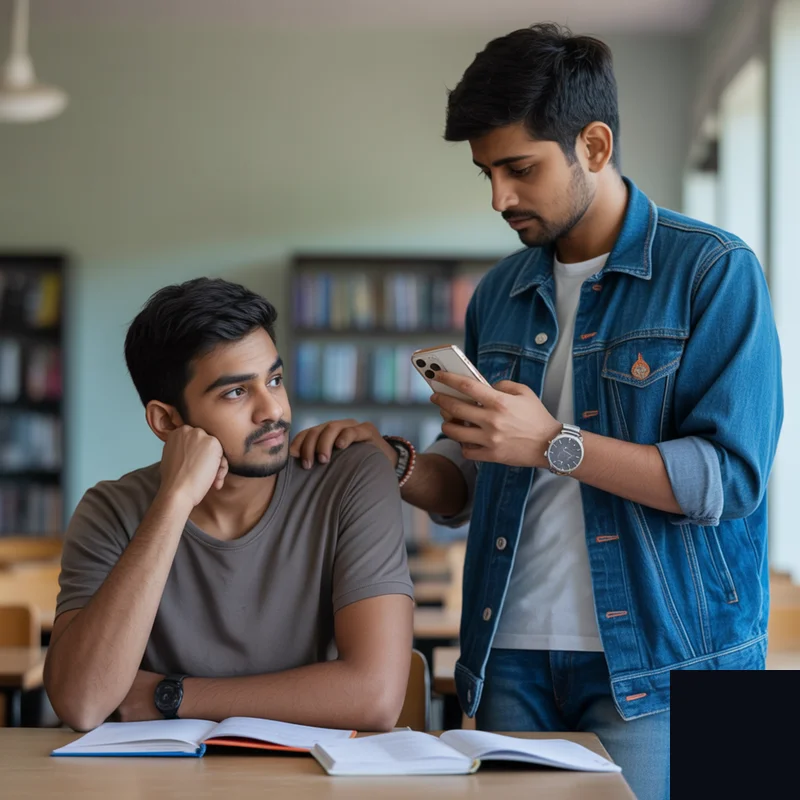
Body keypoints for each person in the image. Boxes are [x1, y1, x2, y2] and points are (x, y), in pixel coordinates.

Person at [290, 23, 783, 800]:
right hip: (507, 656)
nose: (498, 197)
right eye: (486, 172)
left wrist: (557, 443)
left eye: (519, 169)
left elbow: (727, 483)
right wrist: (399, 466)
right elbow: (470, 487)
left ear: (593, 144)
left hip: (679, 668)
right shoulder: (500, 293)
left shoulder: (717, 270)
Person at [44, 277, 414, 732]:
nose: (272, 410)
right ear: (168, 421)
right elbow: (83, 703)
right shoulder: (110, 509)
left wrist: (169, 695)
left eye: (274, 380)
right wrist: (174, 500)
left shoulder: (350, 476)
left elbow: (374, 697)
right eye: (236, 392)